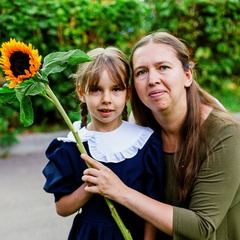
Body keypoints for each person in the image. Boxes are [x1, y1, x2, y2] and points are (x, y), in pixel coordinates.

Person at [81, 32, 240, 240]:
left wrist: (121, 192)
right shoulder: (138, 134)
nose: (153, 80)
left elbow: (202, 227)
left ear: (187, 75)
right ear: (133, 87)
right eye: (141, 72)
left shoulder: (223, 134)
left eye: (163, 67)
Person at [42, 47, 164, 240]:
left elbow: (153, 203)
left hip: (134, 232)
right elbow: (62, 208)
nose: (106, 99)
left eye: (116, 89)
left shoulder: (144, 142)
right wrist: (90, 186)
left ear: (128, 93)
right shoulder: (72, 145)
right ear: (81, 92)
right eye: (96, 90)